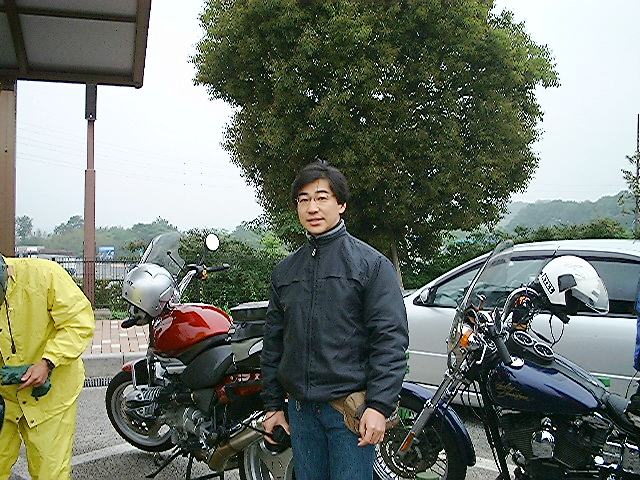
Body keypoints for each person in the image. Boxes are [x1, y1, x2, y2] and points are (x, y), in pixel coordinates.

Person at [261, 161, 409, 479]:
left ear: (341, 204)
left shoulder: (371, 265)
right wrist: (273, 406)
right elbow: (273, 342)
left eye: (321, 197)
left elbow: (390, 340)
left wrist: (379, 406)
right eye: (303, 199)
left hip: (348, 412)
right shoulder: (285, 272)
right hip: (301, 412)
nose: (312, 208)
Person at [0, 255, 95, 480]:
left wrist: (48, 362)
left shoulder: (46, 275)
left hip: (51, 397)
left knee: (49, 473)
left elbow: (79, 323)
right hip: (5, 398)